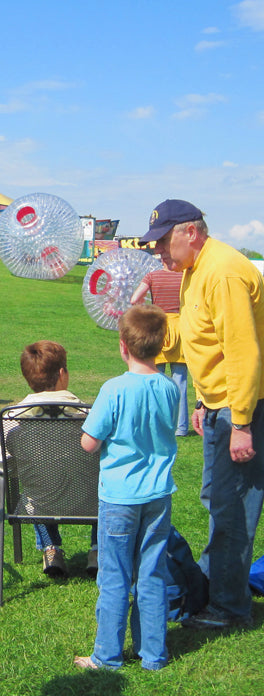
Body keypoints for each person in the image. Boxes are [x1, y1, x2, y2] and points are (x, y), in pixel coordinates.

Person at [140, 198, 264, 630]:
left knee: (232, 507)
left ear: (190, 231)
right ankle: (216, 594)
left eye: (162, 242)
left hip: (240, 408)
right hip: (218, 406)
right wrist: (200, 399)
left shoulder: (223, 271)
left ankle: (229, 609)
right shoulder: (195, 272)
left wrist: (242, 422)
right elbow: (198, 341)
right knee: (217, 499)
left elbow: (243, 351)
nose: (158, 252)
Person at [75, 304, 179, 671]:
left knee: (115, 574)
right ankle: (153, 655)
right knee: (151, 572)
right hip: (159, 495)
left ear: (122, 345)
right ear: (163, 343)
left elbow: (89, 442)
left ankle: (107, 654)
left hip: (119, 496)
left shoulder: (114, 389)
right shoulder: (169, 388)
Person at [0, 341, 98, 577]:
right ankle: (98, 549)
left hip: (40, 504)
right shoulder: (90, 416)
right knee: (100, 479)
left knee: (39, 483)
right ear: (62, 373)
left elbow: (1, 465)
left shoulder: (11, 419)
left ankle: (51, 549)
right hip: (92, 503)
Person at [131, 268, 189, 436]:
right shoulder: (184, 275)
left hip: (158, 326)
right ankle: (181, 427)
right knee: (180, 380)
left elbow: (135, 299)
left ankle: (155, 424)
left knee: (155, 378)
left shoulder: (152, 275)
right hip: (180, 327)